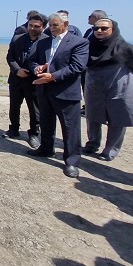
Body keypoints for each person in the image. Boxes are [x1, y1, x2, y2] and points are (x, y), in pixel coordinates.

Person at [28, 12, 89, 178]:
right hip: (44, 90)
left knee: (70, 128)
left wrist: (53, 76)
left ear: (66, 24)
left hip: (66, 92)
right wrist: (36, 68)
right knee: (46, 122)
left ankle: (72, 161)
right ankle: (46, 148)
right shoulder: (44, 42)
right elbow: (33, 60)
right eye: (50, 25)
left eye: (55, 25)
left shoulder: (79, 42)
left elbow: (77, 67)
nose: (52, 28)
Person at [83, 19, 133, 161]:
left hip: (119, 85)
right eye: (96, 28)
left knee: (117, 117)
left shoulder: (124, 47)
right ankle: (92, 144)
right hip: (94, 85)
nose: (99, 31)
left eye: (104, 28)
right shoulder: (88, 46)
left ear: (113, 30)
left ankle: (110, 150)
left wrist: (129, 79)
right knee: (92, 115)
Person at [4, 13, 48, 148]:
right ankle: (13, 129)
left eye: (36, 26)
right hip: (16, 79)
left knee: (35, 109)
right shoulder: (18, 38)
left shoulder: (47, 41)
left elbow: (47, 61)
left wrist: (35, 71)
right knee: (14, 106)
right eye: (30, 25)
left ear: (43, 27)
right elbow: (10, 56)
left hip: (34, 81)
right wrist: (17, 70)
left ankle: (34, 133)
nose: (32, 28)